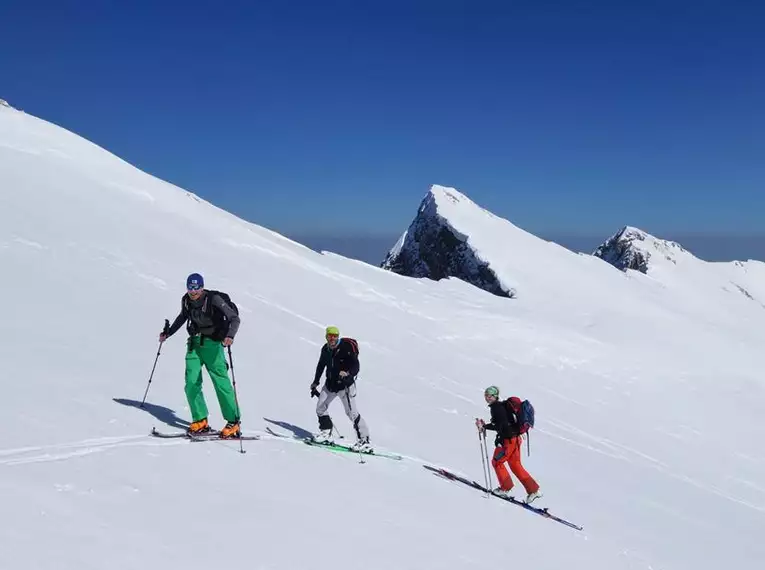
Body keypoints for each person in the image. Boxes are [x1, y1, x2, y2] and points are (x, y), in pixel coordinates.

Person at [159, 273, 242, 438]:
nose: (193, 291)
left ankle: (233, 422)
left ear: (202, 287)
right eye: (190, 287)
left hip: (213, 345)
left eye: (196, 287)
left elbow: (234, 319)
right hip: (194, 344)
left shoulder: (214, 299)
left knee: (221, 383)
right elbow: (183, 317)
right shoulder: (186, 300)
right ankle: (200, 420)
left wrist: (230, 336)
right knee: (191, 382)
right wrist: (168, 333)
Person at [476, 386, 543, 504]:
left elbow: (501, 425)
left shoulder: (496, 408)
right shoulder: (502, 406)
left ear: (495, 396)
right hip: (516, 439)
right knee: (515, 465)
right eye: (486, 395)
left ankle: (505, 488)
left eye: (489, 395)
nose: (487, 398)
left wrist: (485, 426)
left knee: (497, 462)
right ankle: (533, 490)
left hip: (509, 440)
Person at [310, 326, 372, 452]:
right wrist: (316, 381)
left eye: (334, 336)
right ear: (326, 336)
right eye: (329, 336)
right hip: (330, 385)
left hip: (345, 386)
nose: (332, 338)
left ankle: (364, 440)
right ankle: (326, 433)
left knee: (351, 413)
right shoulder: (325, 349)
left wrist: (348, 373)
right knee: (320, 408)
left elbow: (356, 365)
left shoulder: (346, 348)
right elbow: (321, 366)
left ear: (338, 336)